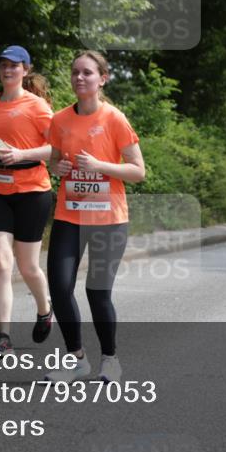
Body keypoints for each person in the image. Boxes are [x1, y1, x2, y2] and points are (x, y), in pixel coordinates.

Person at [43, 51, 145, 383]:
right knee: (59, 288)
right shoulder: (59, 120)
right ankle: (76, 360)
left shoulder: (114, 119)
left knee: (97, 293)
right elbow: (54, 161)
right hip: (69, 216)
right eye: (75, 73)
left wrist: (99, 166)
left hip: (108, 219)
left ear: (102, 79)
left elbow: (138, 171)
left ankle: (110, 360)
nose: (79, 78)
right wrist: (55, 167)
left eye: (87, 73)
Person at [0, 45, 55, 356]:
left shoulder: (37, 107)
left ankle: (45, 309)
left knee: (28, 266)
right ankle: (2, 336)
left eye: (14, 66)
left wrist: (22, 154)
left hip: (32, 191)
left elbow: (56, 148)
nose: (8, 70)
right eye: (3, 65)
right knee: (0, 262)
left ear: (25, 70)